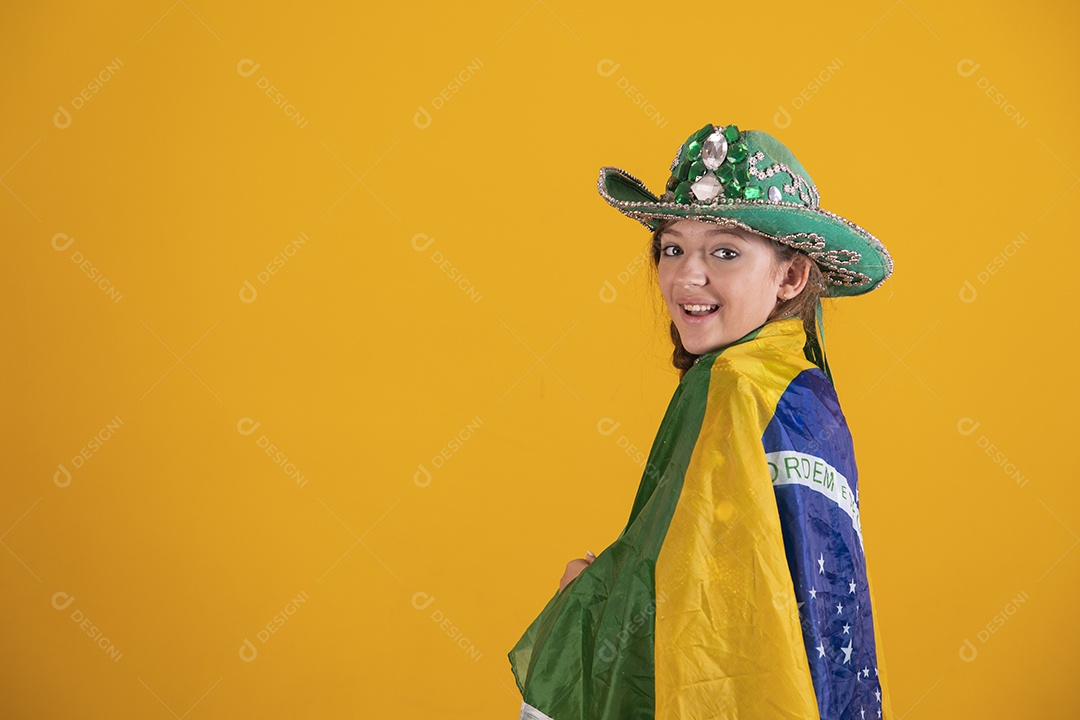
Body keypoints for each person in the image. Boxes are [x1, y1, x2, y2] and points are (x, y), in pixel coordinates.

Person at [508, 121, 895, 720]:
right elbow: (737, 580)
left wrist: (584, 602)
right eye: (672, 247)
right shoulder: (803, 386)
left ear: (790, 276)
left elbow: (700, 628)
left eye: (725, 251)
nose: (687, 276)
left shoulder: (734, 385)